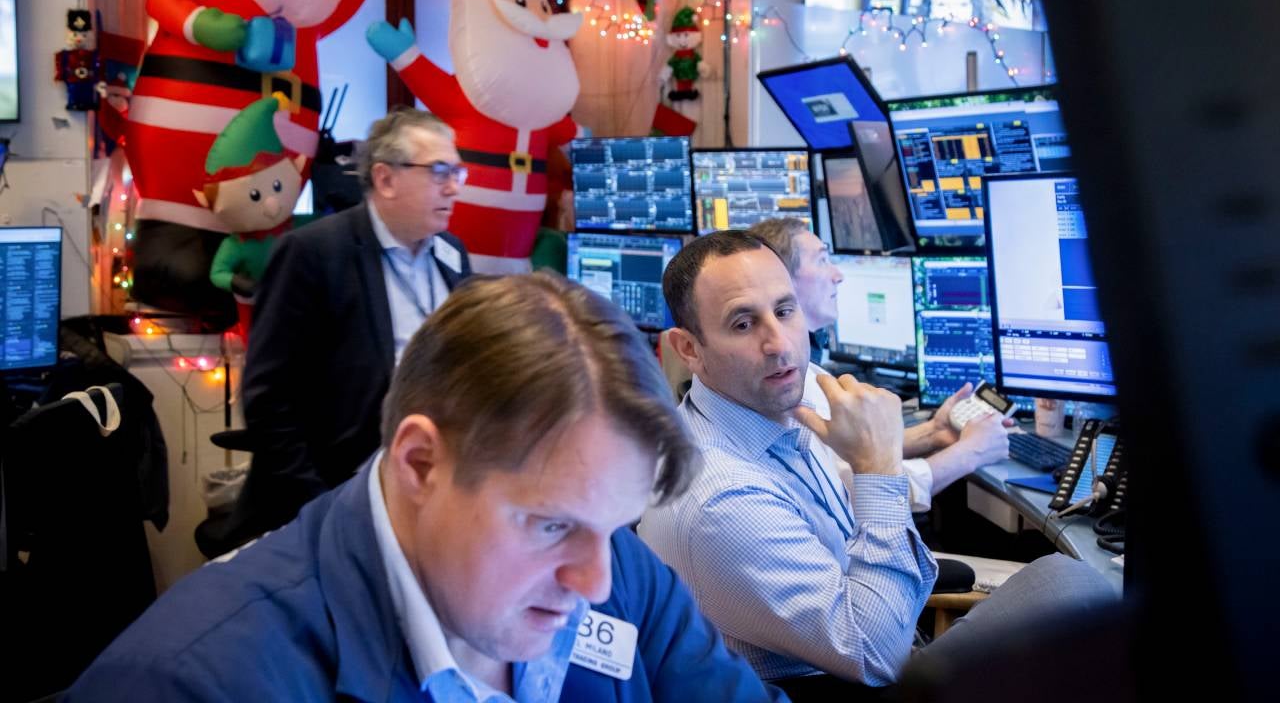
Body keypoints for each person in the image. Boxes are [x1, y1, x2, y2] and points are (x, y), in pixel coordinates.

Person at [69, 272, 786, 702]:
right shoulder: (197, 682)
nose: (596, 582)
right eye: (549, 525)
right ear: (418, 464)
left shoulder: (619, 571)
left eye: (617, 524)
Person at [639, 231, 1117, 696]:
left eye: (786, 311)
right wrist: (880, 468)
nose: (779, 344)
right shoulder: (720, 500)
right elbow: (877, 657)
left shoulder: (772, 391)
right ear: (688, 349)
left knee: (1071, 585)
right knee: (1081, 594)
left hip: (870, 637)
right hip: (853, 677)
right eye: (743, 324)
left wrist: (930, 433)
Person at [199, 107, 473, 557]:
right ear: (385, 179)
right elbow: (268, 399)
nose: (454, 186)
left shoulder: (452, 255)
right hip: (334, 503)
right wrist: (320, 507)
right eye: (439, 170)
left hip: (427, 498)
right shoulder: (315, 253)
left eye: (457, 170)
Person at [750, 217, 1011, 513]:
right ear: (781, 278)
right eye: (823, 260)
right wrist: (973, 451)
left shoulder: (805, 368)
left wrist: (932, 432)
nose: (838, 275)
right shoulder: (782, 381)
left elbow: (846, 452)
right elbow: (866, 489)